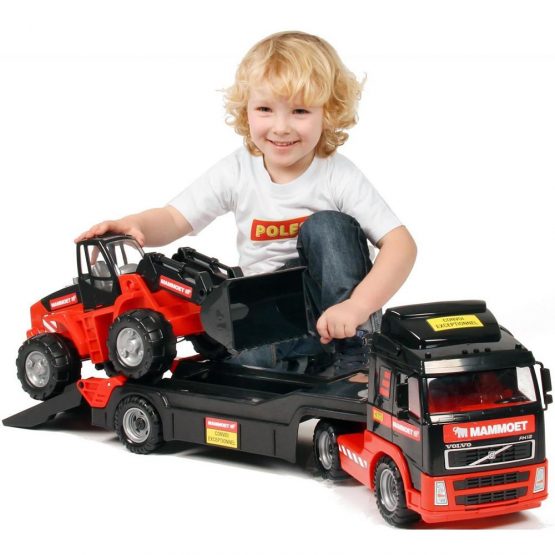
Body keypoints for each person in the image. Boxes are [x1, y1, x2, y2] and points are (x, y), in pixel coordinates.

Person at [76, 31, 417, 372]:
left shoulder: (336, 175)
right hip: (270, 313)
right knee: (246, 356)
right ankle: (296, 367)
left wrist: (357, 307)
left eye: (299, 111)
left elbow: (401, 246)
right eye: (265, 109)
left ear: (328, 113)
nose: (281, 127)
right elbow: (176, 217)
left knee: (328, 226)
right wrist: (136, 225)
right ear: (247, 111)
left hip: (337, 316)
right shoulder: (238, 170)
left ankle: (355, 354)